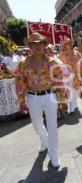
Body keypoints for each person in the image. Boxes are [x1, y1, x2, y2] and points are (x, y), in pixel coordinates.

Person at [15, 33, 67, 168]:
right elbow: (20, 82)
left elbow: (60, 81)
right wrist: (22, 101)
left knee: (53, 127)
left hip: (50, 96)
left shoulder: (53, 62)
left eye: (40, 43)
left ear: (45, 45)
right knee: (37, 125)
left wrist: (63, 100)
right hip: (32, 97)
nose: (37, 46)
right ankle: (45, 140)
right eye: (34, 44)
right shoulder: (23, 63)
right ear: (30, 46)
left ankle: (53, 154)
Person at [59, 38, 82, 114]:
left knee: (75, 90)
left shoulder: (77, 53)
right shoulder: (62, 54)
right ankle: (70, 108)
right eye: (66, 43)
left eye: (69, 43)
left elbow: (81, 62)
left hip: (76, 74)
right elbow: (59, 65)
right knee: (68, 91)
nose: (68, 45)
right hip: (66, 75)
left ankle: (75, 105)